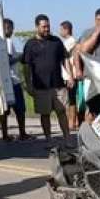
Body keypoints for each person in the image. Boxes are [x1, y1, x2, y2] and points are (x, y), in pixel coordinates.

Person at [21, 14, 72, 146]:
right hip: (41, 86)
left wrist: (70, 76)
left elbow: (65, 58)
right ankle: (49, 139)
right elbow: (26, 66)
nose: (47, 29)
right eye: (44, 27)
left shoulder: (56, 41)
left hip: (58, 84)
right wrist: (28, 85)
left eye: (48, 26)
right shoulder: (30, 44)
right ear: (37, 27)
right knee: (45, 114)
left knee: (62, 112)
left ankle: (67, 138)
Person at [0, 18, 31, 141]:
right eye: (7, 28)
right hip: (13, 80)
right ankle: (22, 133)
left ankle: (5, 135)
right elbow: (8, 60)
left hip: (4, 80)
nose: (10, 30)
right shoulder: (7, 42)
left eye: (10, 28)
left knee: (5, 110)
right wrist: (20, 56)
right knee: (19, 109)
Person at [58, 20, 79, 131]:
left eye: (61, 29)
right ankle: (73, 122)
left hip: (71, 74)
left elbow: (64, 57)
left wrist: (69, 76)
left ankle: (72, 122)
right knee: (71, 99)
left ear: (66, 29)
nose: (60, 32)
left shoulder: (70, 41)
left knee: (71, 99)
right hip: (69, 74)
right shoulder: (68, 41)